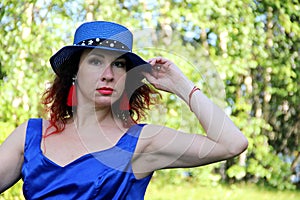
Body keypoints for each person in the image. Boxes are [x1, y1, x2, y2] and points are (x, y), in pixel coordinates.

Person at [0, 21, 248, 199]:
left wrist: (182, 86)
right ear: (75, 71)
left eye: (118, 65)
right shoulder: (31, 135)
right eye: (96, 61)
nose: (108, 75)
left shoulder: (142, 143)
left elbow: (232, 144)